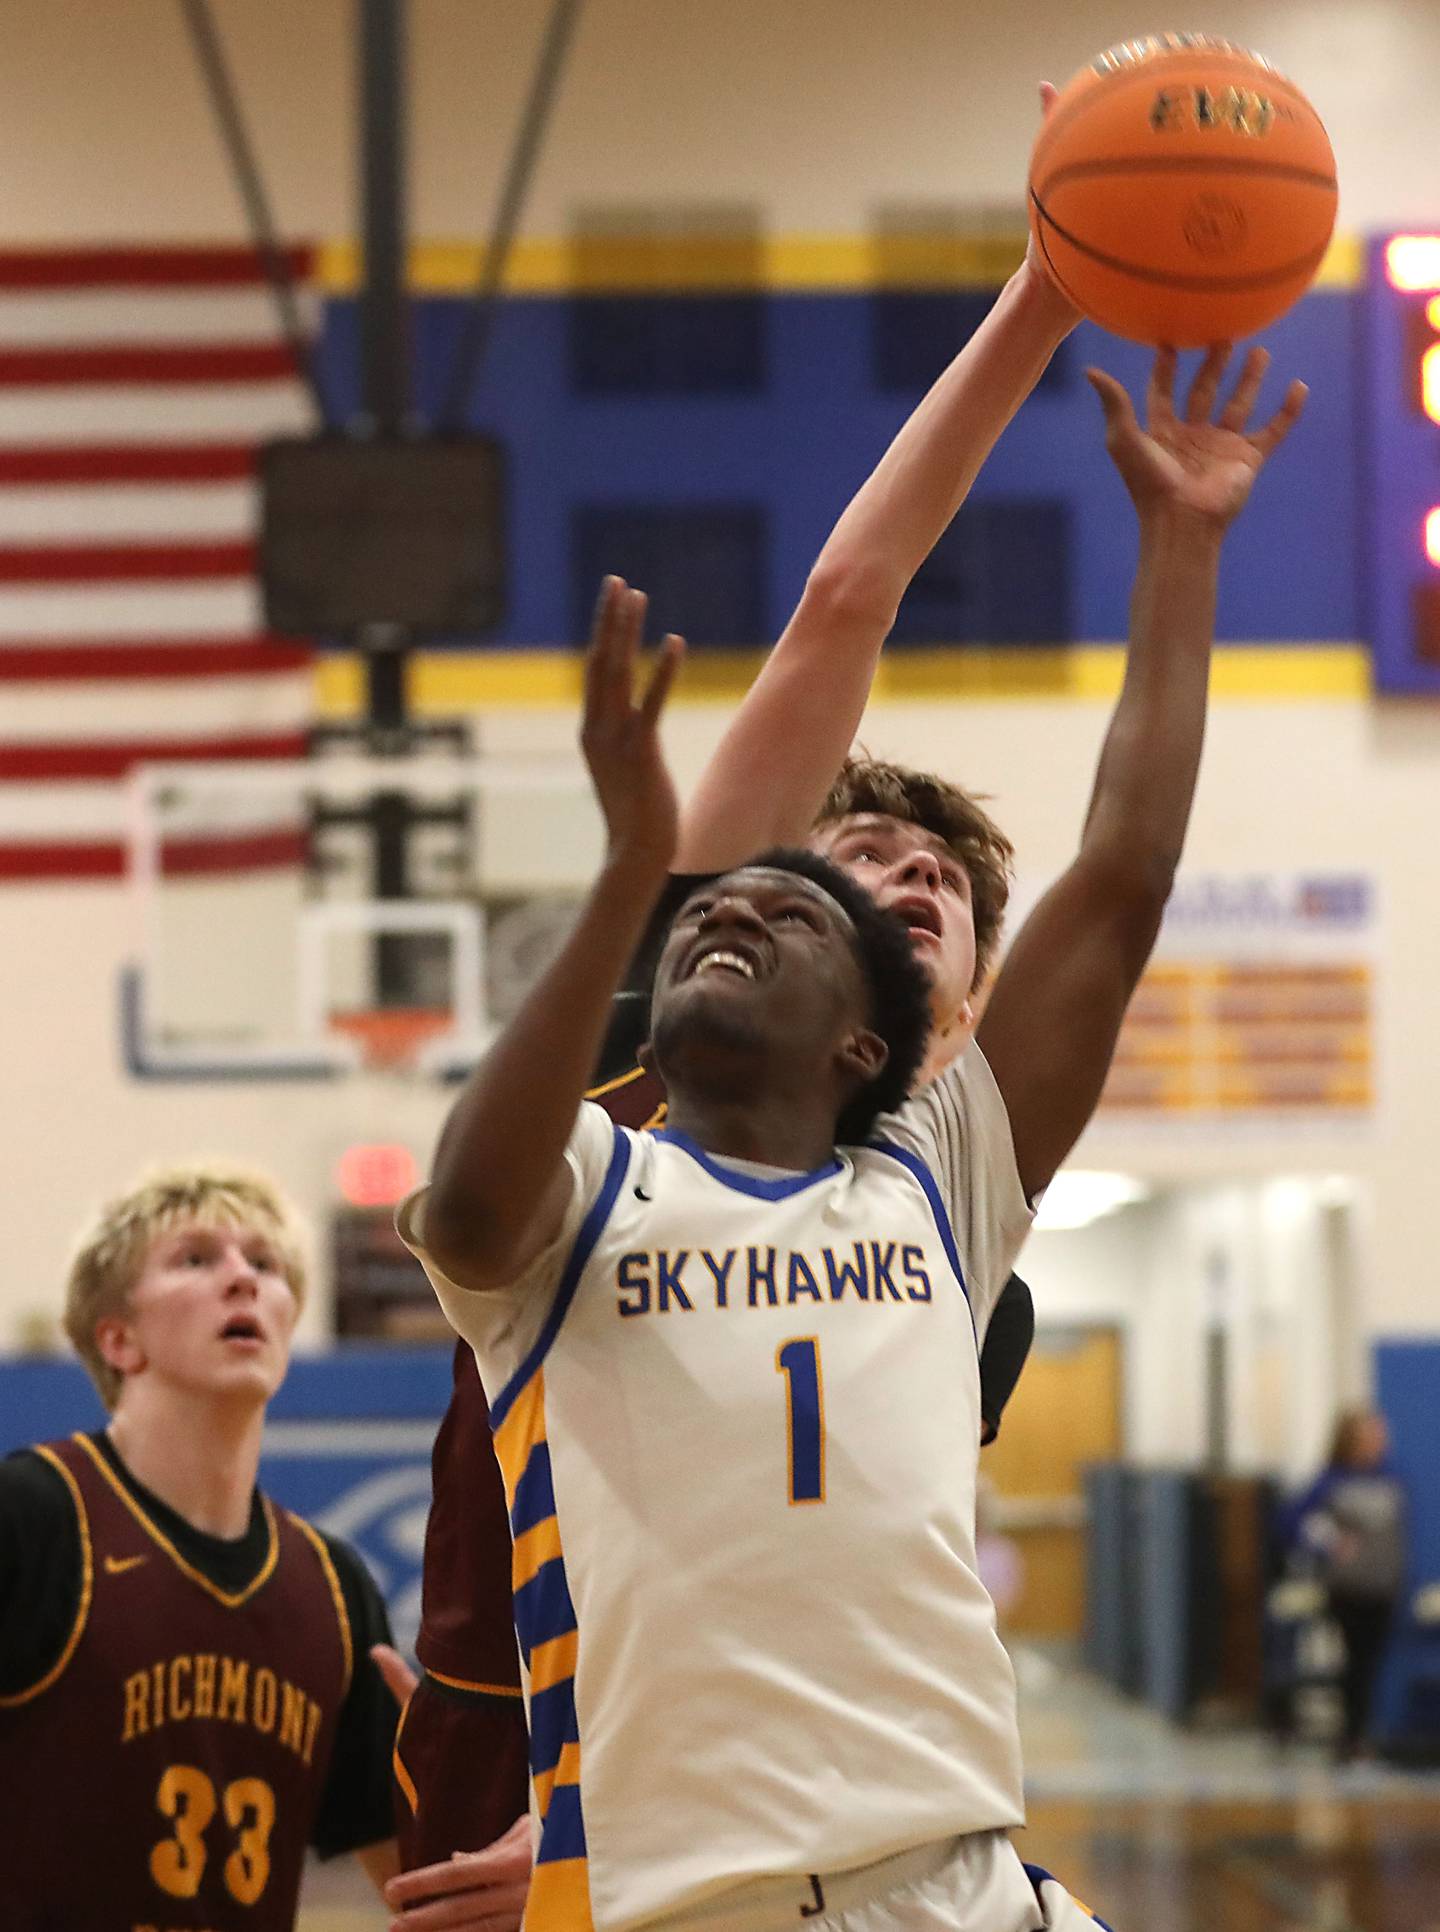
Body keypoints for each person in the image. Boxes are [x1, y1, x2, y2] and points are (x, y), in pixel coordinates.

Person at [399, 342, 1307, 1932]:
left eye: (796, 909)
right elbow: (463, 1210)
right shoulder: (587, 1177)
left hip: (960, 1885)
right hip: (679, 1894)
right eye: (721, 902)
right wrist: (627, 874)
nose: (737, 904)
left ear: (871, 1037)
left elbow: (1123, 876)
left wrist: (1183, 550)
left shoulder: (935, 1182)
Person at [385, 158, 1076, 1898]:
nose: (899, 884)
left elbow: (817, 1610)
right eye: (851, 860)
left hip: (751, 1822)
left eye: (943, 882)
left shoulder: (956, 1235)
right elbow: (850, 597)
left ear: (968, 987)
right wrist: (1046, 298)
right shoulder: (656, 1036)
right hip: (523, 1739)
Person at [0, 1165, 526, 1932]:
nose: (243, 1279)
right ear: (118, 1339)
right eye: (196, 1259)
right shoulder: (36, 1517)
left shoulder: (334, 1588)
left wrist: (471, 1813)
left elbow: (427, 1895)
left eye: (265, 1264)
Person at [1283, 1407, 1407, 1760]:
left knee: (1371, 1663)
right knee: (1354, 1662)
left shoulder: (1390, 1479)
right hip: (1347, 1588)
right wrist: (1329, 1542)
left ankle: (1361, 1733)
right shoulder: (1332, 1480)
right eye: (1371, 1435)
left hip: (1384, 1586)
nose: (1379, 1441)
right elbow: (1292, 1520)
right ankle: (1349, 1738)